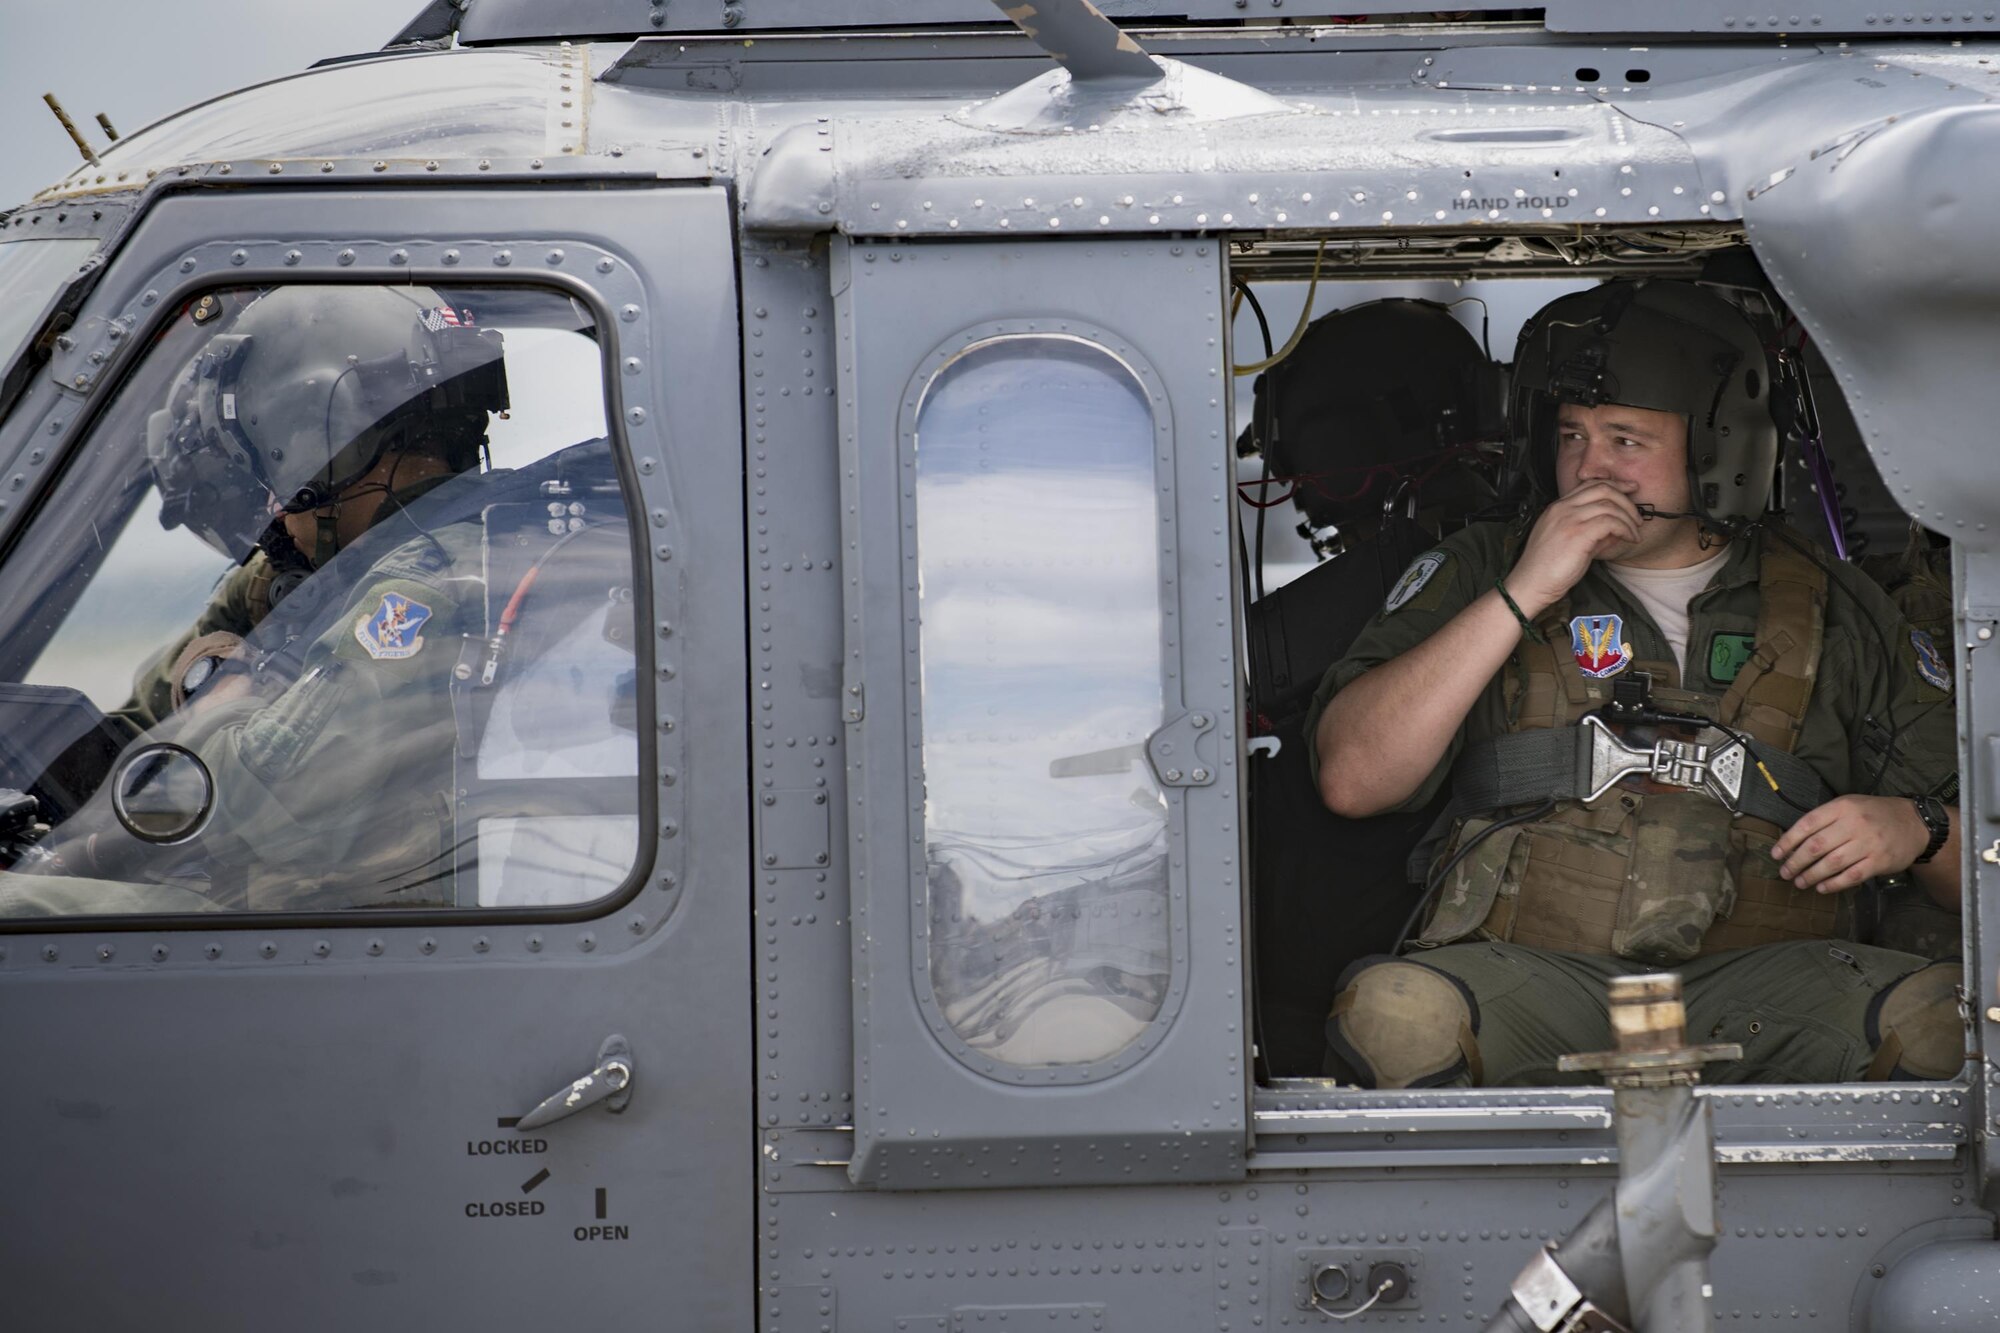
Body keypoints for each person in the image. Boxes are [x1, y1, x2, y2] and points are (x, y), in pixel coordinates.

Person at [1308, 280, 1965, 1087]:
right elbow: (1352, 778)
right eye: (1572, 435)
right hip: (1535, 977)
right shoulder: (1483, 567)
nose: (1589, 470)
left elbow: (1983, 862)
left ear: (1719, 447)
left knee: (1945, 1024)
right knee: (1395, 1017)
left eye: (1626, 440)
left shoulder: (1841, 610)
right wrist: (1524, 591)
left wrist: (1919, 827)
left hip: (1772, 983)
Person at [0, 284, 510, 914]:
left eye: (274, 480)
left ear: (325, 445)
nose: (271, 509)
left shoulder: (424, 582)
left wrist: (219, 707)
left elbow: (279, 803)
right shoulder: (328, 575)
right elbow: (149, 714)